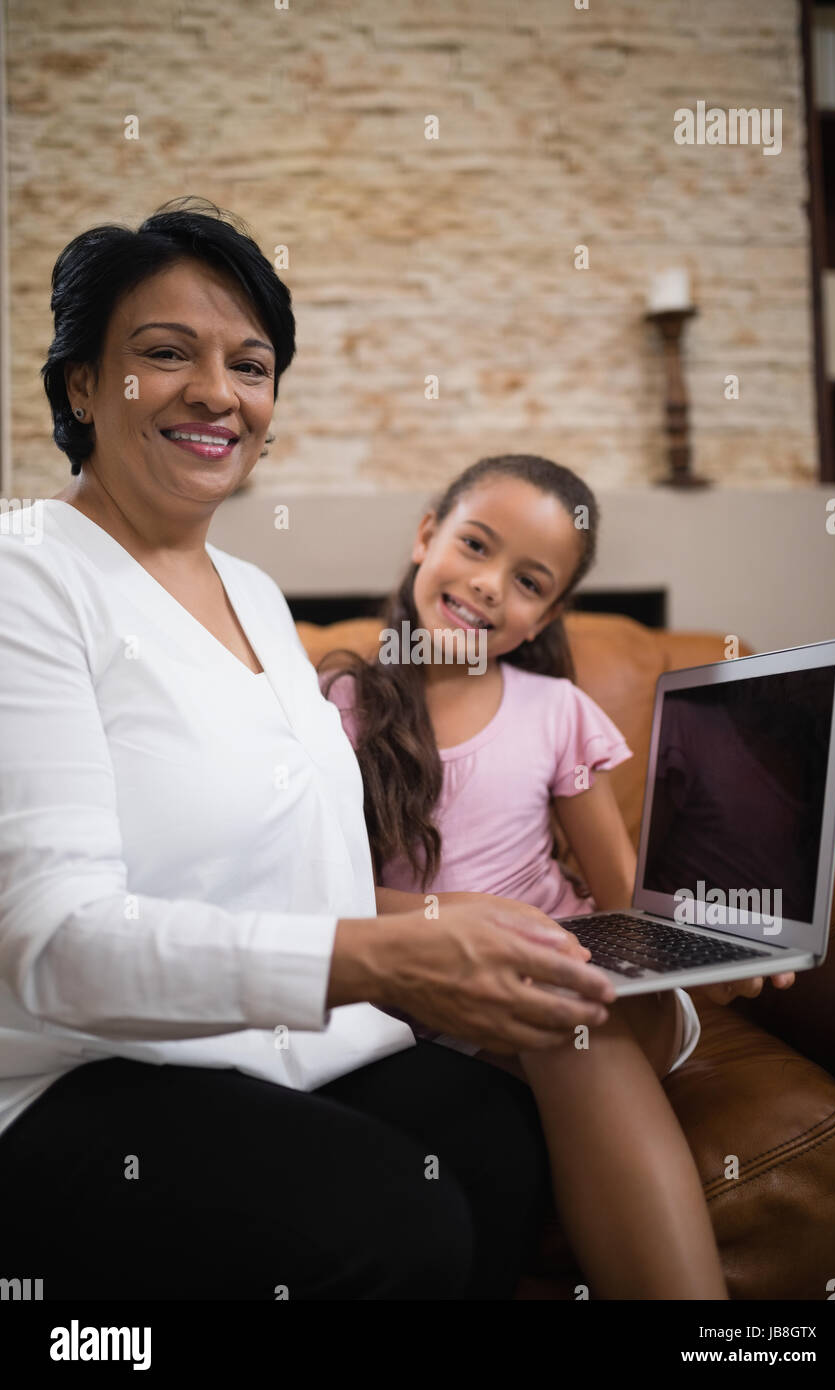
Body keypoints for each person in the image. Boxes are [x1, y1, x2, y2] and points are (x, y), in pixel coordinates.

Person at [0, 199, 619, 1301]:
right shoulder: (26, 578)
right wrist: (379, 960)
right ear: (81, 385)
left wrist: (438, 922)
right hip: (77, 1073)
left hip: (277, 1046)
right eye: (163, 353)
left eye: (249, 363)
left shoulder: (254, 594)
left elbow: (299, 881)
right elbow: (55, 946)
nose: (215, 391)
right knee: (397, 1216)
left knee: (492, 1141)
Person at [319, 454, 798, 1299]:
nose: (490, 585)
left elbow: (623, 900)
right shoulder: (342, 708)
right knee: (545, 1007)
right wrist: (449, 917)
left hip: (587, 976)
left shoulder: (557, 712)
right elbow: (324, 889)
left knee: (565, 1011)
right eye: (474, 545)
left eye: (530, 580)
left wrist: (708, 951)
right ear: (427, 534)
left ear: (547, 613)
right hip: (438, 994)